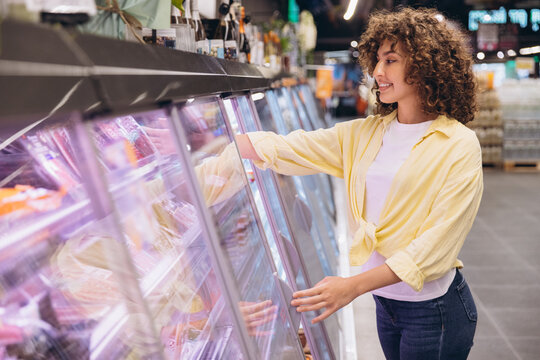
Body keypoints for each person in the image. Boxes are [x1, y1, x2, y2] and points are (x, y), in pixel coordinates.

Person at [236, 7, 483, 359]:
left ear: (427, 65)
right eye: (377, 60)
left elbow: (434, 250)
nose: (377, 71)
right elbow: (291, 148)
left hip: (435, 311)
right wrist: (224, 145)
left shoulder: (458, 145)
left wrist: (351, 287)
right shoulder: (367, 134)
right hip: (387, 304)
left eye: (391, 60)